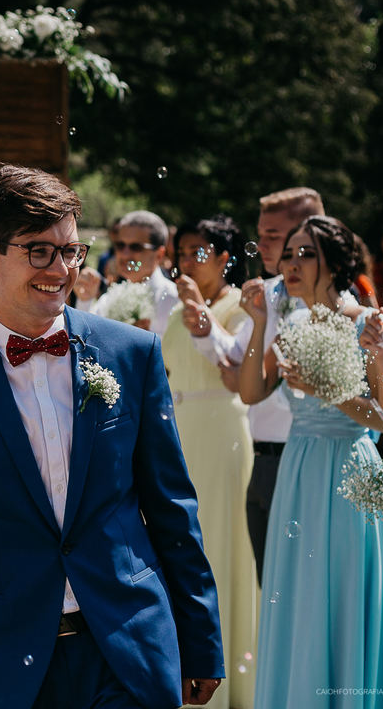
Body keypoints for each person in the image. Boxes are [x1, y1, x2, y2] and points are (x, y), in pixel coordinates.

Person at [0, 166, 224, 709]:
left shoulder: (133, 354)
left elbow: (171, 508)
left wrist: (200, 638)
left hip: (130, 647)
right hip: (10, 663)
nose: (61, 269)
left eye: (71, 251)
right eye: (39, 252)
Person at [236, 215, 383, 709]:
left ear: (336, 263)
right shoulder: (289, 324)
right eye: (288, 255)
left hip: (351, 471)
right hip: (299, 470)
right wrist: (259, 323)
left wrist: (327, 390)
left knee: (343, 596)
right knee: (300, 599)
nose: (291, 264)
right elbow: (249, 391)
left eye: (304, 253)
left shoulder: (367, 324)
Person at [198, 187, 326, 582]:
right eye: (261, 234)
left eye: (274, 234)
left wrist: (250, 371)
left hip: (306, 457)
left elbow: (248, 378)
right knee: (269, 584)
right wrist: (205, 332)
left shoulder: (327, 302)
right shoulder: (265, 294)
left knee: (302, 584)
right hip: (261, 459)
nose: (264, 245)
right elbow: (233, 371)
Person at [163, 216, 257, 709]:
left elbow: (235, 372)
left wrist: (203, 316)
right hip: (179, 428)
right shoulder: (175, 310)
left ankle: (228, 674)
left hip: (222, 429)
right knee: (183, 541)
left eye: (200, 253)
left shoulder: (242, 305)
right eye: (183, 253)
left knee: (220, 541)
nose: (187, 263)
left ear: (225, 257)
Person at [74, 209, 181, 337]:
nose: (125, 254)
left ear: (159, 254)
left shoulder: (175, 300)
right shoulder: (109, 298)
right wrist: (85, 300)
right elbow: (84, 340)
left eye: (136, 247)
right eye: (120, 245)